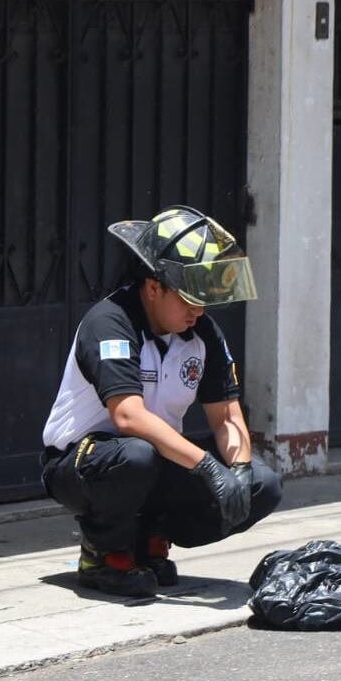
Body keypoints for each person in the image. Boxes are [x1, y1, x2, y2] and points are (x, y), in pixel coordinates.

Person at [40, 206, 282, 598]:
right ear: (154, 287)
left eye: (204, 299)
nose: (198, 310)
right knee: (136, 454)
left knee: (263, 484)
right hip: (82, 463)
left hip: (156, 460)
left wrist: (236, 471)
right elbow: (127, 416)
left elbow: (226, 417)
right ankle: (104, 553)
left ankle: (153, 538)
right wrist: (207, 467)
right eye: (188, 299)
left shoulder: (202, 332)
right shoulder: (110, 322)